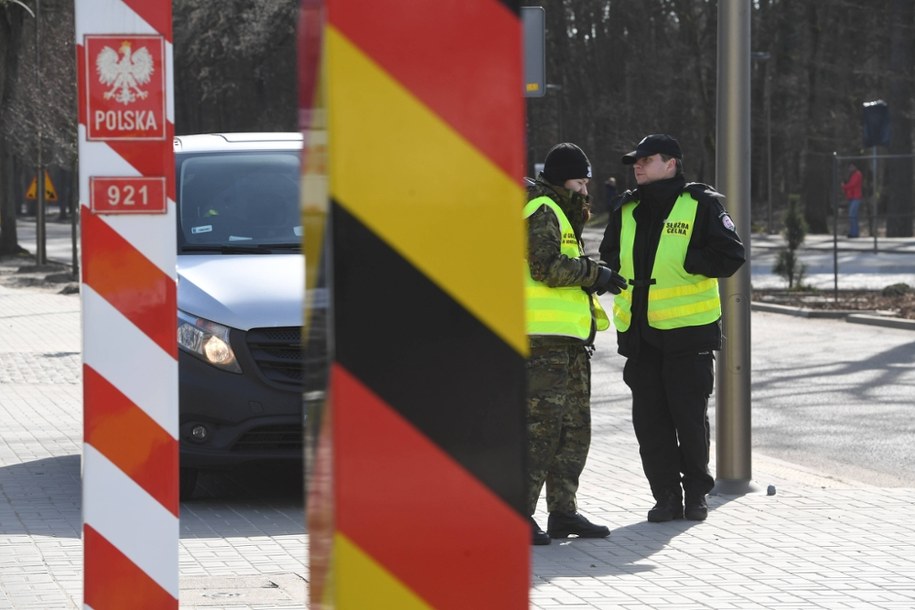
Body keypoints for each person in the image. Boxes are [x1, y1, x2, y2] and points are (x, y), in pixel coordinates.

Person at [598, 134, 745, 523]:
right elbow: (610, 254)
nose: (638, 165)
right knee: (650, 424)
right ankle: (665, 496)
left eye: (647, 159)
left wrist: (687, 262)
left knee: (689, 421)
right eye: (636, 160)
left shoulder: (701, 205)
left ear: (671, 164)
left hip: (688, 334)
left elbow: (732, 255)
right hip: (640, 335)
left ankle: (696, 494)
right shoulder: (627, 208)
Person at [524, 142, 627, 545]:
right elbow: (545, 267)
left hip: (567, 344)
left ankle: (563, 512)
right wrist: (594, 274)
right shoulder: (542, 210)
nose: (586, 189)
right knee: (540, 432)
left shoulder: (562, 212)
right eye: (580, 181)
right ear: (562, 178)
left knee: (573, 430)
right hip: (539, 343)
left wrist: (593, 276)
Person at [842, 162, 863, 238]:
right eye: (849, 167)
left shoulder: (857, 174)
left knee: (852, 215)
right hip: (852, 197)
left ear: (855, 167)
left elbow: (852, 184)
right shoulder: (852, 175)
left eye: (852, 167)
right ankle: (853, 232)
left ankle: (854, 233)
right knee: (853, 216)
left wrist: (844, 186)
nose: (850, 168)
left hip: (856, 197)